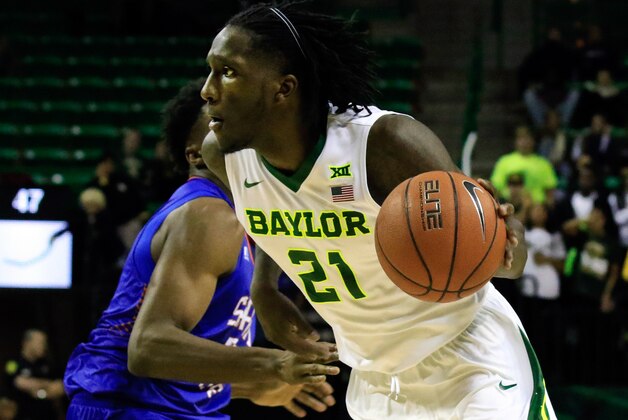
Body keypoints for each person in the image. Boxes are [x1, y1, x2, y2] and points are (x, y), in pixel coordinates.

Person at [200, 3, 555, 419]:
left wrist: (502, 242)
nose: (207, 89)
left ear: (284, 88)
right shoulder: (224, 156)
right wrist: (263, 287)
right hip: (373, 379)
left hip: (470, 363)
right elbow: (271, 213)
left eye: (228, 72)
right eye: (210, 70)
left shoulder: (383, 143)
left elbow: (495, 248)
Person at [64, 79, 339, 419]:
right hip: (129, 408)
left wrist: (255, 384)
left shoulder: (233, 218)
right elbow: (148, 347)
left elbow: (174, 368)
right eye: (222, 126)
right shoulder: (208, 214)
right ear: (196, 153)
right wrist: (273, 363)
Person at [4, 329, 65, 420]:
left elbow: (61, 386)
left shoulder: (47, 364)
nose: (44, 346)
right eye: (40, 342)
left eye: (45, 342)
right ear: (27, 343)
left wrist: (40, 393)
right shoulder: (13, 364)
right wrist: (48, 385)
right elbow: (21, 383)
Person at [490, 125, 558, 206]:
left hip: (536, 208)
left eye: (527, 138)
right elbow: (496, 188)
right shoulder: (504, 161)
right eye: (521, 138)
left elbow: (550, 194)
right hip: (509, 204)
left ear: (533, 141)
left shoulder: (544, 164)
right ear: (515, 141)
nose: (524, 142)